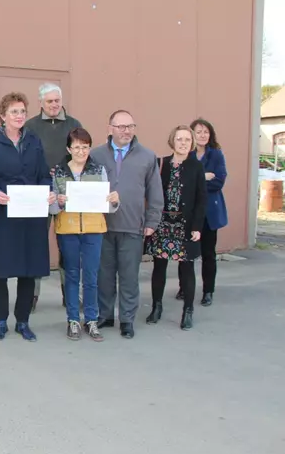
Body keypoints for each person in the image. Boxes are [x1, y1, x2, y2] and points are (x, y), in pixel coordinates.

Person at [0, 92, 56, 342]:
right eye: (14, 111)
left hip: (30, 216)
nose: (20, 116)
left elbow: (44, 174)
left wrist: (48, 192)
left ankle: (22, 322)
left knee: (27, 270)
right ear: (3, 116)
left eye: (22, 111)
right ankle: (0, 322)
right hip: (1, 215)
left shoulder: (34, 141)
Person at [91, 110, 163, 339]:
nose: (126, 131)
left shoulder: (147, 156)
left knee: (129, 277)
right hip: (102, 226)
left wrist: (152, 220)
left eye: (130, 126)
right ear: (110, 128)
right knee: (104, 275)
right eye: (121, 126)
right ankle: (105, 315)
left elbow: (155, 192)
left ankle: (127, 320)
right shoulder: (96, 155)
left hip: (133, 226)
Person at [51, 128, 119, 342]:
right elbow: (52, 206)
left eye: (85, 147)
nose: (81, 151)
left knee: (91, 276)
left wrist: (114, 201)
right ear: (68, 149)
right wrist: (57, 202)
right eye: (77, 147)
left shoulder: (98, 170)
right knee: (71, 275)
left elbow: (108, 205)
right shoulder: (59, 171)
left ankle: (91, 319)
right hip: (67, 229)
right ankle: (72, 319)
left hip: (93, 229)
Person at [24, 83, 82, 311]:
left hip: (67, 192)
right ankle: (32, 296)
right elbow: (25, 157)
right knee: (37, 245)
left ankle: (69, 295)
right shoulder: (30, 126)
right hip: (40, 192)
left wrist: (64, 171)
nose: (54, 105)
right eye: (49, 101)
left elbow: (81, 153)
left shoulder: (73, 125)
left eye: (57, 100)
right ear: (40, 103)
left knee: (68, 246)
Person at [145, 126, 208, 330]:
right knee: (159, 267)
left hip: (186, 225)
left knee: (187, 268)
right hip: (163, 223)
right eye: (179, 139)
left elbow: (201, 199)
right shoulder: (161, 163)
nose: (183, 143)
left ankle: (187, 311)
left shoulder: (196, 166)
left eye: (187, 140)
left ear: (192, 143)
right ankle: (156, 307)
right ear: (172, 141)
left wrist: (197, 226)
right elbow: (150, 192)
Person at [175, 118, 227, 307]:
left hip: (209, 213)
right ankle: (183, 287)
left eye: (206, 132)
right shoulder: (186, 155)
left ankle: (208, 291)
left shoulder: (217, 155)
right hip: (187, 212)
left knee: (208, 253)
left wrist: (196, 181)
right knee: (185, 253)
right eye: (198, 132)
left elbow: (219, 181)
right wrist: (203, 177)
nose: (202, 135)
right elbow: (181, 182)